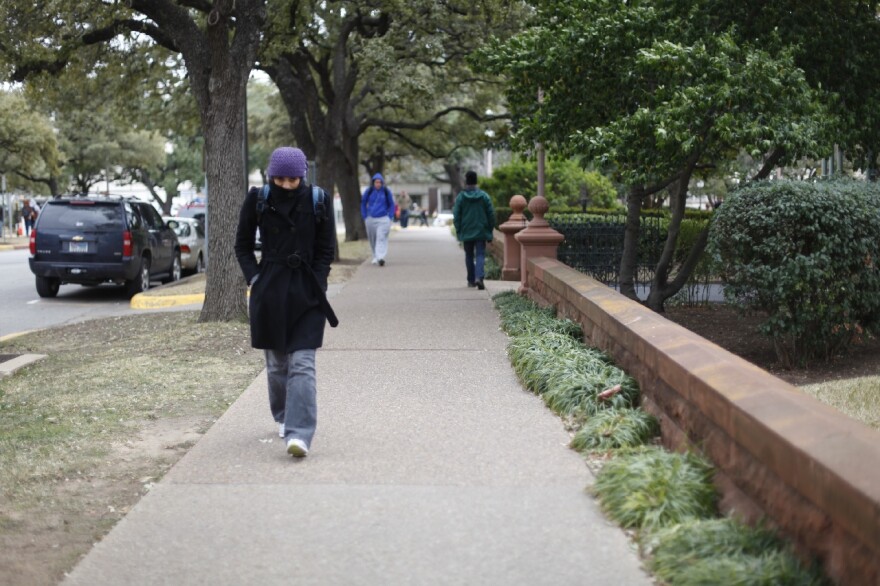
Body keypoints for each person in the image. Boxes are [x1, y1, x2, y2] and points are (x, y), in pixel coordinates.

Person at [234, 146, 338, 458]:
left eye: (293, 180)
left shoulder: (318, 200)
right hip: (270, 290)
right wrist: (255, 278)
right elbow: (241, 245)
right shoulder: (259, 199)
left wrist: (318, 282)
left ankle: (300, 434)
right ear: (271, 176)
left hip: (307, 293)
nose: (287, 185)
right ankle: (282, 416)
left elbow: (325, 248)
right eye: (280, 180)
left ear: (302, 177)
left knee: (303, 364)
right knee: (277, 364)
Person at [453, 170, 495, 290]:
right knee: (480, 254)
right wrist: (490, 229)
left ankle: (471, 280)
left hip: (467, 231)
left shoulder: (461, 197)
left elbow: (456, 215)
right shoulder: (484, 196)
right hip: (481, 231)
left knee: (469, 255)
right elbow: (491, 214)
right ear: (476, 181)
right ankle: (479, 277)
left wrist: (459, 230)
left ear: (466, 181)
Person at [360, 173, 395, 266]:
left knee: (381, 237)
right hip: (370, 218)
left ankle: (380, 257)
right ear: (373, 183)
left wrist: (390, 216)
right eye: (376, 182)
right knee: (372, 239)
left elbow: (392, 204)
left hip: (383, 219)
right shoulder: (369, 191)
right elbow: (363, 203)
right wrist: (365, 215)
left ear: (382, 183)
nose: (378, 184)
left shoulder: (386, 191)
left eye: (380, 182)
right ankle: (375, 256)